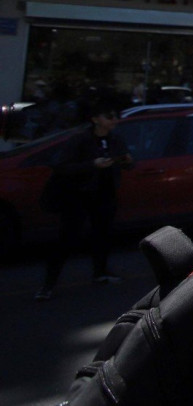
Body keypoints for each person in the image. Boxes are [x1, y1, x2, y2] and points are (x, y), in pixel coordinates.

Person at [35, 98, 132, 301]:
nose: (115, 120)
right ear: (95, 119)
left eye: (115, 116)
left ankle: (100, 272)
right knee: (66, 238)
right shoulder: (80, 140)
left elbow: (125, 162)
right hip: (79, 195)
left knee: (103, 235)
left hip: (105, 194)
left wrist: (126, 162)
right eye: (109, 116)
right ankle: (48, 284)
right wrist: (93, 164)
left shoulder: (115, 139)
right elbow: (63, 167)